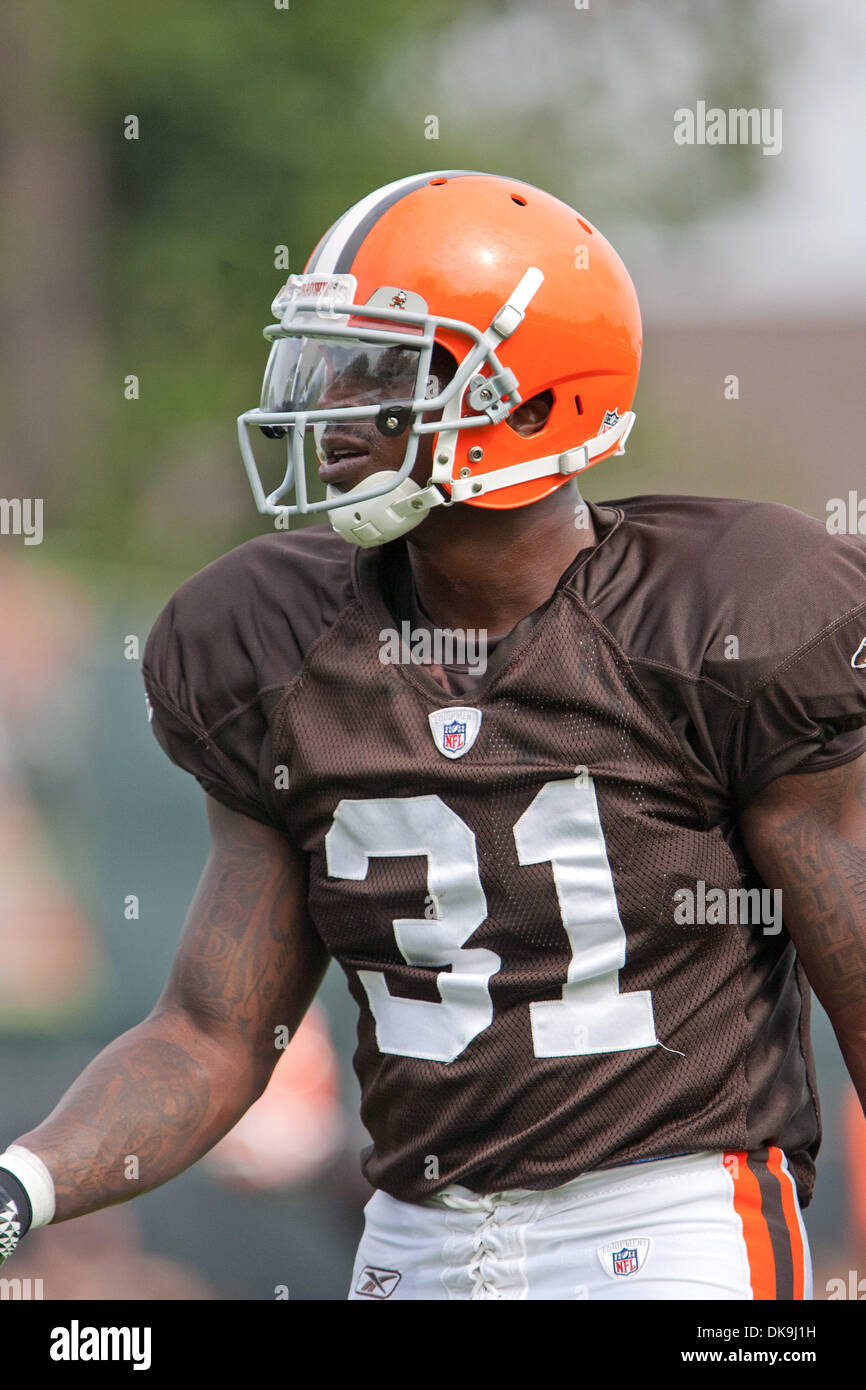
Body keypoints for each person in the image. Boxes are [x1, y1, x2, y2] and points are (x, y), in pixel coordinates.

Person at [2, 170, 865, 1300]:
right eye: (324, 360)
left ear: (527, 397)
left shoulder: (721, 615)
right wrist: (22, 1184)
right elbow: (213, 1035)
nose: (330, 408)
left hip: (668, 1229)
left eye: (380, 372)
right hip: (407, 1240)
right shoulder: (272, 646)